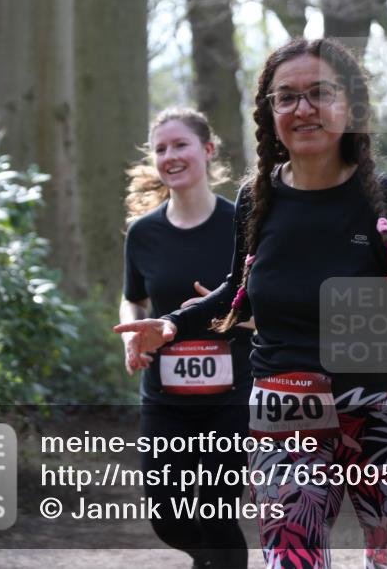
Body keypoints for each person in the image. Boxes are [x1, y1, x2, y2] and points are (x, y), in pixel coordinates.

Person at [115, 38, 387, 569]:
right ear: (269, 113)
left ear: (349, 106)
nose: (303, 109)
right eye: (286, 97)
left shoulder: (385, 200)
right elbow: (237, 290)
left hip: (382, 409)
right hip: (286, 405)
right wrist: (170, 326)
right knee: (291, 561)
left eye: (319, 93)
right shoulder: (259, 200)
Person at [119, 107, 252, 569]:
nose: (170, 156)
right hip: (164, 397)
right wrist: (131, 337)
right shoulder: (143, 233)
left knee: (217, 513)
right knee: (167, 517)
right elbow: (132, 299)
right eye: (160, 149)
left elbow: (268, 300)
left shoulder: (244, 226)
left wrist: (224, 311)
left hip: (231, 397)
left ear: (207, 150)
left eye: (180, 145)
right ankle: (211, 561)